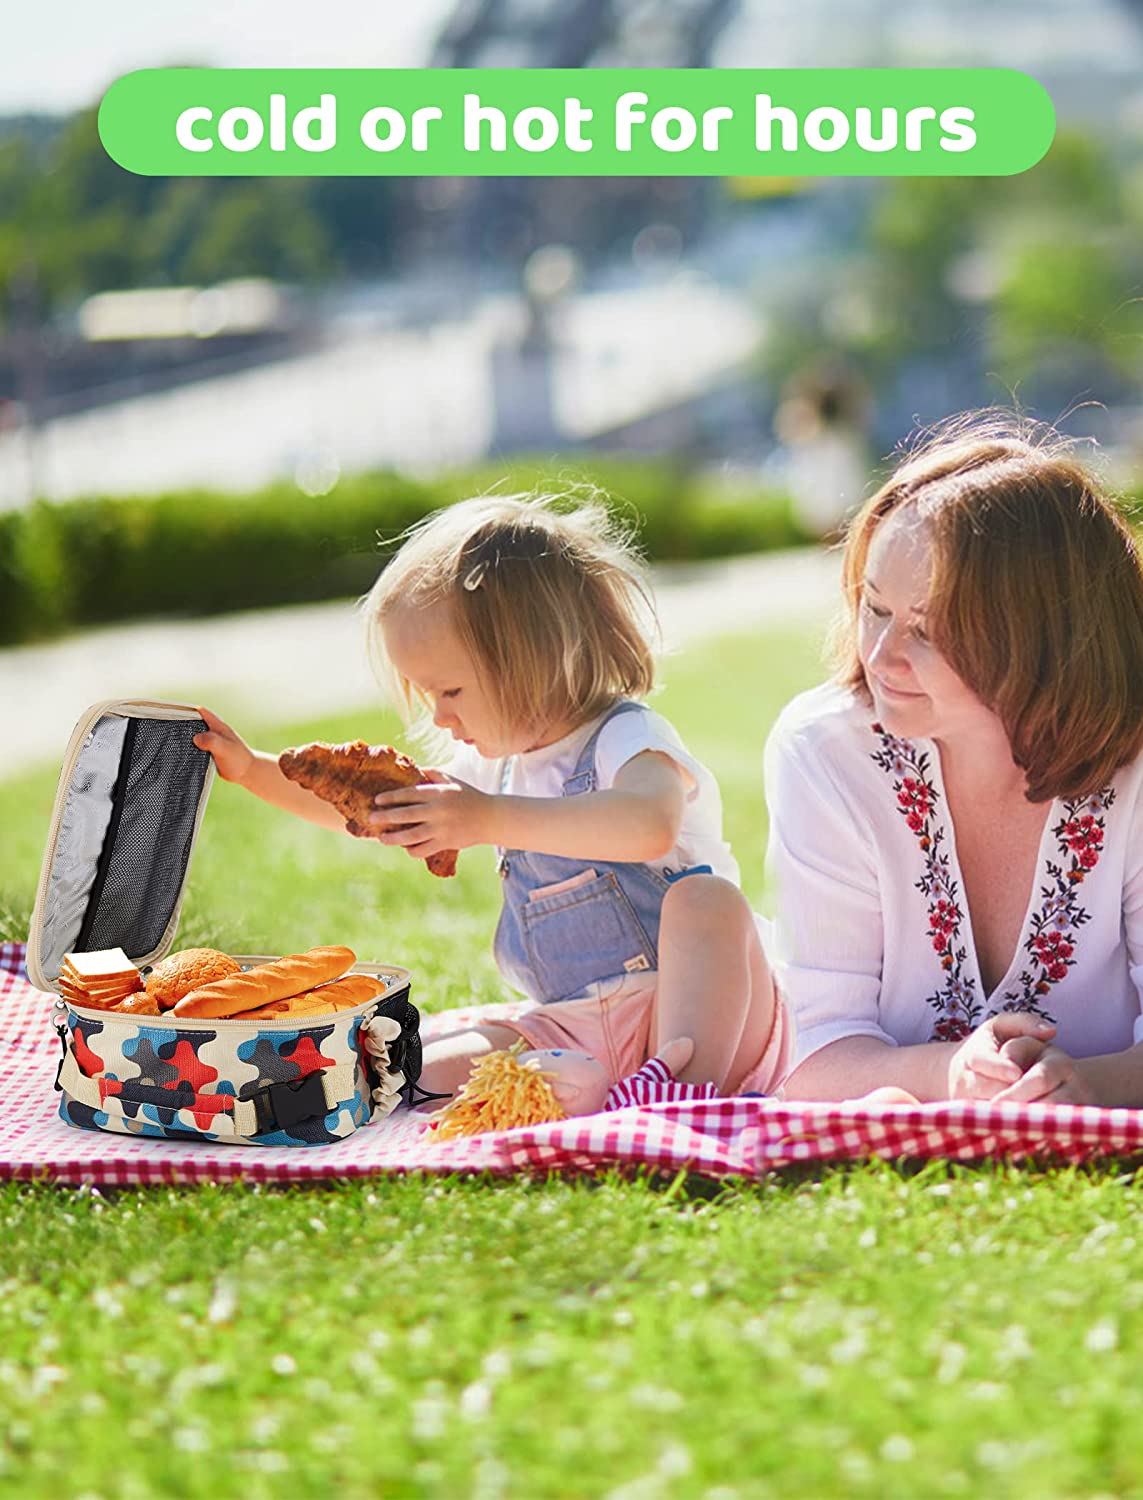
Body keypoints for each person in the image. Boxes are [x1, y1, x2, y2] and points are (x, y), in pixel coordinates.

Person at [195, 493, 791, 1100]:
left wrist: (484, 817)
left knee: (705, 901)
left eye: (450, 690)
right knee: (415, 1061)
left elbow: (649, 825)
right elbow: (365, 807)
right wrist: (251, 769)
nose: (440, 715)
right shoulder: (490, 770)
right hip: (572, 1026)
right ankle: (583, 1093)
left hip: (707, 1013)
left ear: (531, 659)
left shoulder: (625, 738)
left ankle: (677, 1098)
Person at [766, 413, 1143, 1106]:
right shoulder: (826, 752)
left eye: (930, 630)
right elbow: (815, 1062)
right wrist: (951, 1074)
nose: (879, 659)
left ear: (1044, 638)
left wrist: (1088, 1086)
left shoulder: (1133, 763)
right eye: (874, 609)